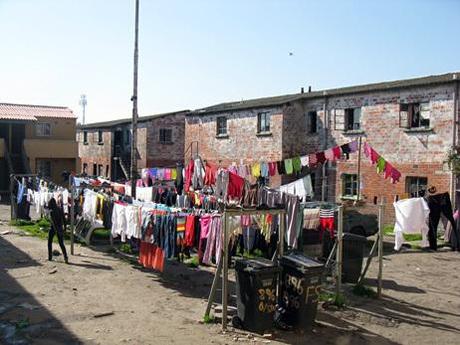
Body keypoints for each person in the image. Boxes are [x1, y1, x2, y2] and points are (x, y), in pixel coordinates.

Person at [47, 196, 69, 263]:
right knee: (61, 243)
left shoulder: (52, 211)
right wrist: (64, 228)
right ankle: (65, 257)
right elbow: (64, 220)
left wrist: (55, 229)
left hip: (53, 228)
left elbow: (53, 222)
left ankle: (50, 257)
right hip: (60, 228)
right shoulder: (60, 209)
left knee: (49, 242)